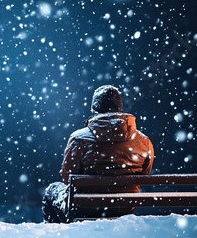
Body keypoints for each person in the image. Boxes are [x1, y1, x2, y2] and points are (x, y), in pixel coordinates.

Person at [42, 85, 155, 223]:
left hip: (85, 207)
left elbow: (68, 178)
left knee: (52, 191)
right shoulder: (143, 141)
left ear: (95, 108)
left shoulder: (79, 138)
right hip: (124, 207)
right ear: (119, 107)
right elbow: (144, 175)